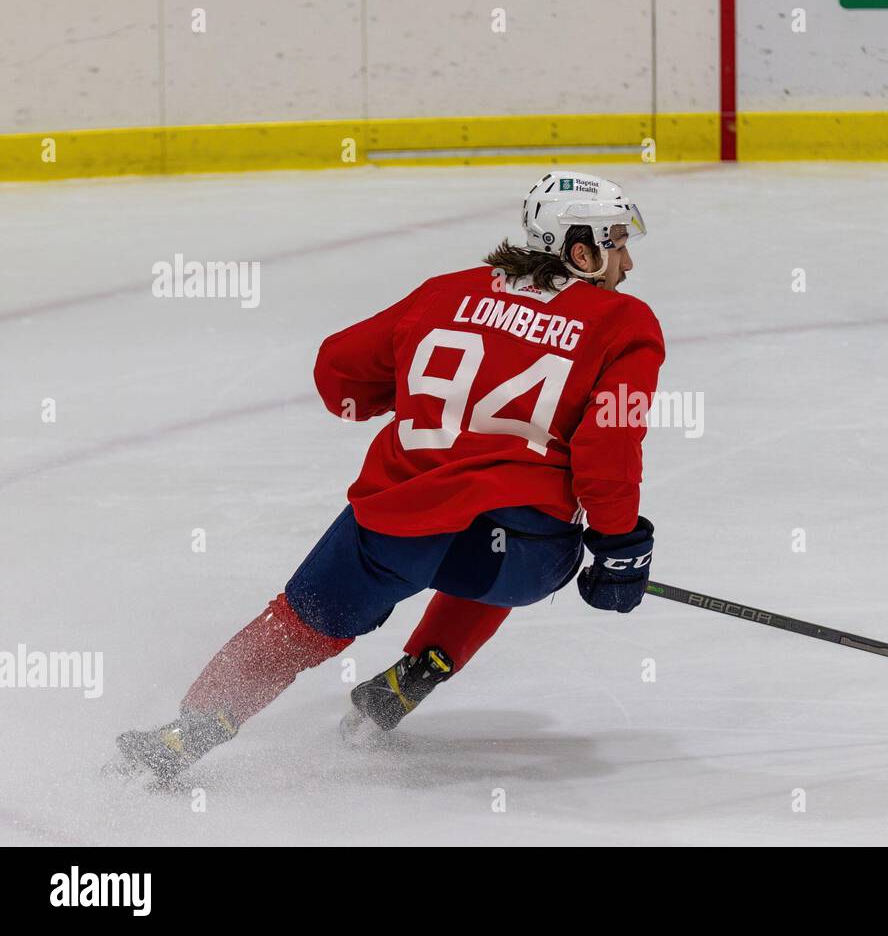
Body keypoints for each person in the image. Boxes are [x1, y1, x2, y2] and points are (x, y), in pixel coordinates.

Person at [116, 171, 665, 779]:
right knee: (497, 510)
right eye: (617, 243)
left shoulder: (445, 293)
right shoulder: (624, 321)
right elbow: (609, 447)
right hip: (522, 560)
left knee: (298, 624)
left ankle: (185, 734)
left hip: (398, 526)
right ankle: (420, 670)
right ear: (580, 251)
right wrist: (618, 547)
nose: (628, 262)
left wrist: (405, 397)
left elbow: (338, 370)